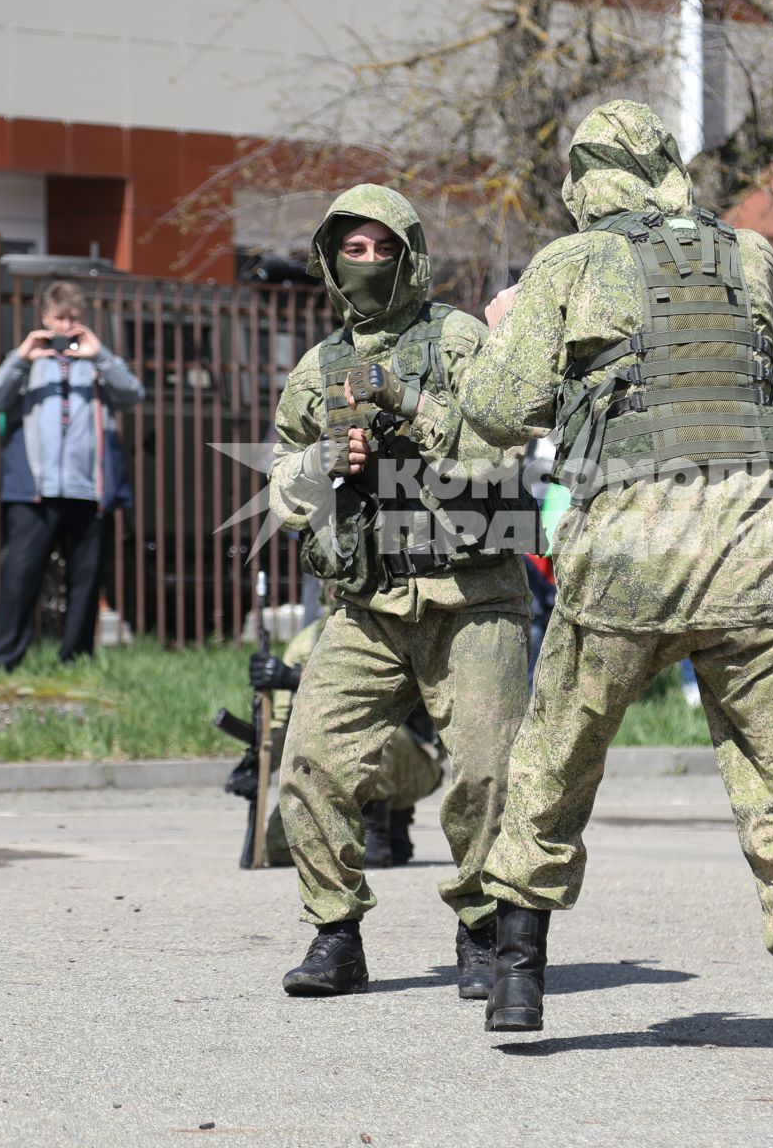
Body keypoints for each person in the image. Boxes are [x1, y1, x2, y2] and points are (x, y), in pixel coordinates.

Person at [459, 101, 773, 1088]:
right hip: (749, 543)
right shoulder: (751, 255)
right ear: (665, 166)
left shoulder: (569, 264)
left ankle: (517, 980)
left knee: (557, 748)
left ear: (584, 177)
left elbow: (496, 410)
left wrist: (503, 332)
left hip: (624, 548)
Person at [265, 184, 533, 1003]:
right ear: (331, 259)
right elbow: (281, 476)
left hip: (473, 596)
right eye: (356, 248)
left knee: (487, 773)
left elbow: (504, 445)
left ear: (412, 256)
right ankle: (334, 935)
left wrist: (409, 410)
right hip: (369, 605)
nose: (372, 262)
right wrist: (322, 467)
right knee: (309, 760)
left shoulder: (456, 340)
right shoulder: (318, 369)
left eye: (388, 248)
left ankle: (484, 931)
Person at [0, 281, 145, 669]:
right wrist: (22, 356)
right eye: (59, 319)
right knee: (21, 575)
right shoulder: (26, 362)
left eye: (73, 319)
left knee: (85, 579)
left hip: (88, 490)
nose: (67, 327)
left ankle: (77, 659)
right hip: (33, 492)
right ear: (45, 319)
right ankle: (3, 660)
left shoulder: (98, 364)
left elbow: (133, 394)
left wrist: (99, 353)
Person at [250, 618, 446, 869]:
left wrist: (297, 679)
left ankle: (376, 826)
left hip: (413, 759)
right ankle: (372, 832)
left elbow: (386, 693)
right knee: (281, 845)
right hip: (333, 758)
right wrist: (257, 763)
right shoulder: (306, 642)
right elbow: (288, 725)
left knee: (367, 725)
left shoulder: (404, 624)